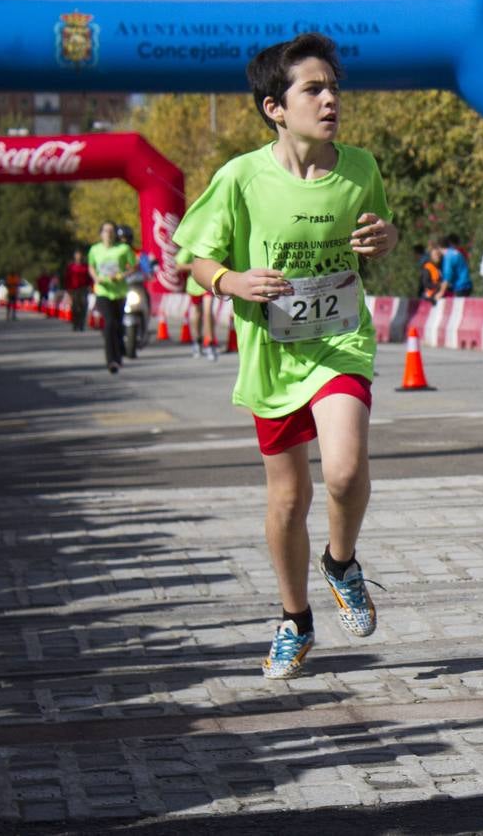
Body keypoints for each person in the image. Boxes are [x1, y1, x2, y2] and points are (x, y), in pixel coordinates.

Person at [172, 33, 398, 680]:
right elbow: (196, 258)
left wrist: (386, 236)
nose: (330, 100)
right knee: (287, 498)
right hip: (272, 354)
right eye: (313, 90)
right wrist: (232, 281)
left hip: (338, 343)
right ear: (276, 107)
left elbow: (380, 230)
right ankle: (295, 618)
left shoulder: (360, 168)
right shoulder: (240, 177)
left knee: (347, 472)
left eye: (333, 88)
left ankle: (341, 560)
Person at [88, 219, 135, 374]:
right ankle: (111, 360)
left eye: (111, 231)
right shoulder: (95, 250)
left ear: (115, 234)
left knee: (118, 324)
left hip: (119, 292)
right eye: (105, 231)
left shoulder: (123, 249)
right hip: (103, 291)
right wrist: (96, 278)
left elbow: (133, 266)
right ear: (101, 234)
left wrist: (122, 275)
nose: (108, 233)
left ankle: (119, 355)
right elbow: (91, 267)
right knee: (109, 323)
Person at [175, 245, 220, 359]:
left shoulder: (212, 244)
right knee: (197, 314)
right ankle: (197, 341)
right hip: (195, 285)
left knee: (208, 312)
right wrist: (197, 266)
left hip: (209, 284)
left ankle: (209, 344)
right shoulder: (191, 246)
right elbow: (178, 266)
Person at [437, 233, 472, 298]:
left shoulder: (448, 257)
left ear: (439, 247)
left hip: (460, 287)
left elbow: (447, 277)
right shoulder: (455, 252)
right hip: (467, 285)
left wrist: (441, 292)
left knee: (458, 307)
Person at [64, 249, 92, 331]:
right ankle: (75, 323)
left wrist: (90, 286)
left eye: (80, 255)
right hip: (74, 289)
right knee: (75, 307)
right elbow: (67, 278)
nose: (78, 257)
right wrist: (68, 289)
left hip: (83, 288)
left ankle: (81, 324)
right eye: (77, 255)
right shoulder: (71, 267)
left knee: (83, 305)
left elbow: (89, 277)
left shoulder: (85, 266)